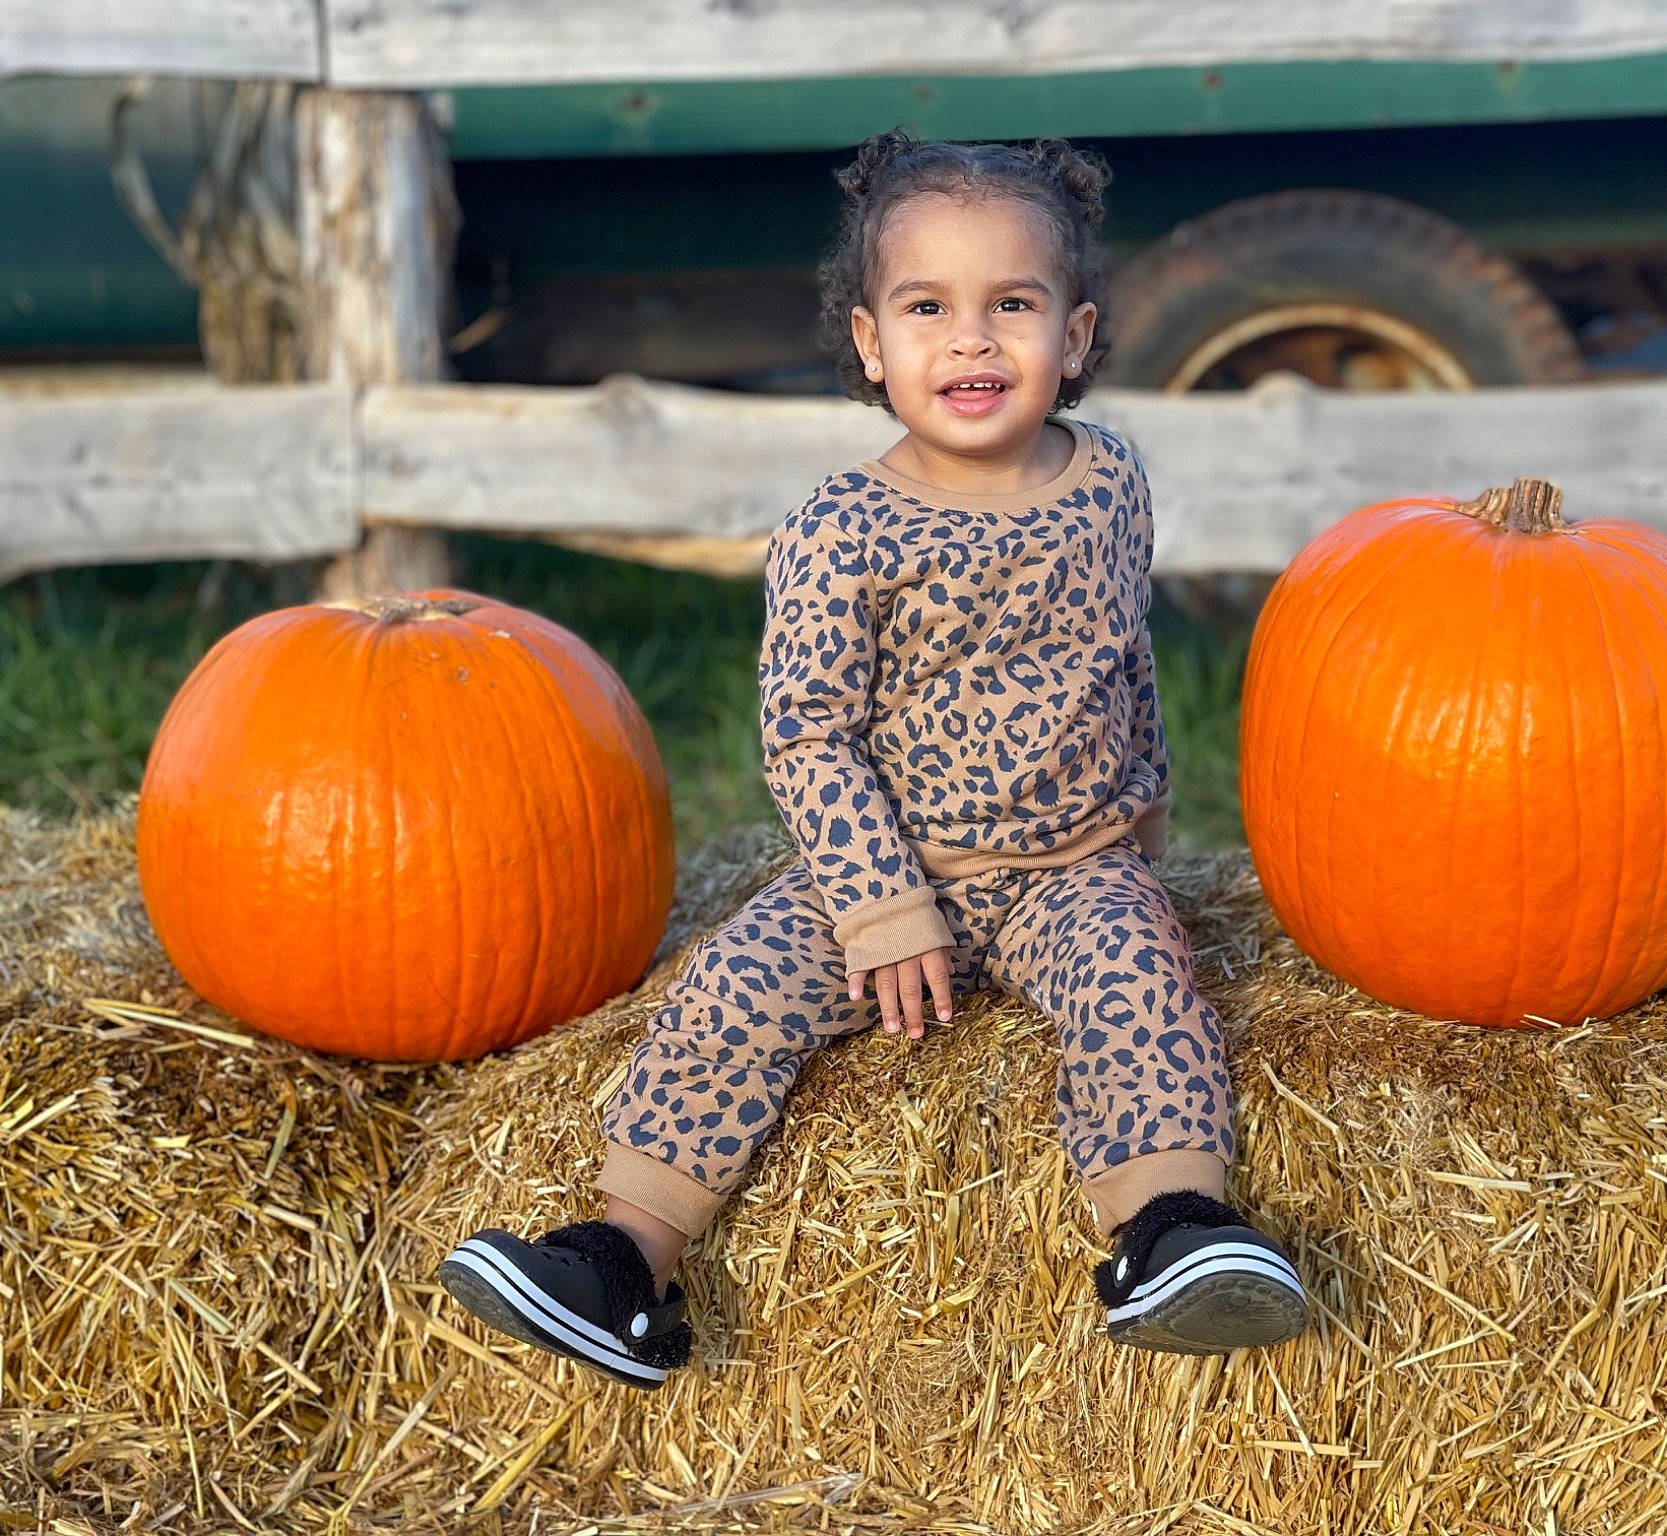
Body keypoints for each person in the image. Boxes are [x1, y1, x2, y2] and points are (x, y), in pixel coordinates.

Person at [437, 130, 1308, 1390]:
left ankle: (1168, 1230)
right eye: (926, 308)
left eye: (1012, 305)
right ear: (868, 343)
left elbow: (1120, 656)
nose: (970, 340)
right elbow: (807, 732)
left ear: (1073, 337)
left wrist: (1145, 826)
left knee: (1142, 986)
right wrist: (880, 908)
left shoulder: (1108, 480)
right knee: (732, 993)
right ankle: (625, 1261)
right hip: (892, 869)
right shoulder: (842, 528)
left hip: (1072, 868)